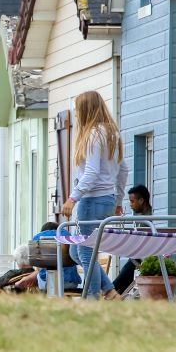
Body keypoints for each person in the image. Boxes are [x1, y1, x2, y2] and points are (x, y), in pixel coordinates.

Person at [60, 91, 129, 300]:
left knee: (86, 251)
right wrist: (117, 200)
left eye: (78, 109)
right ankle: (109, 291)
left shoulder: (92, 135)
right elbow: (123, 170)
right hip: (107, 200)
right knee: (75, 252)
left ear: (86, 110)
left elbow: (91, 172)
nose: (76, 114)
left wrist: (73, 198)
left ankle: (92, 298)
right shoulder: (112, 134)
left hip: (91, 200)